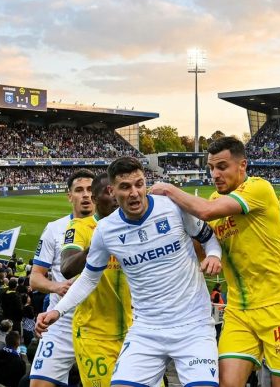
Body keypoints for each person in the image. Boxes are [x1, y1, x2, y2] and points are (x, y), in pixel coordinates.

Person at [37, 156, 222, 387]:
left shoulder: (173, 207)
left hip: (193, 326)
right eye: (125, 187)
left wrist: (214, 255)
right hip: (146, 331)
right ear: (112, 191)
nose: (134, 192)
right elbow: (88, 279)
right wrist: (58, 311)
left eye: (139, 184)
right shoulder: (106, 230)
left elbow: (208, 238)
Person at [150, 136, 280, 387]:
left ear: (242, 165)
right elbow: (197, 248)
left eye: (222, 167)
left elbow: (207, 212)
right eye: (211, 168)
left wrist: (168, 189)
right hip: (239, 311)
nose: (215, 174)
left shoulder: (258, 188)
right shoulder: (213, 198)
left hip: (279, 307)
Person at [60, 172, 132, 387]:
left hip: (131, 329)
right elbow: (66, 267)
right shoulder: (80, 227)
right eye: (108, 192)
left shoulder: (132, 226)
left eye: (116, 190)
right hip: (94, 334)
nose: (114, 197)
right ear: (95, 200)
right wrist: (96, 248)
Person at [28, 169, 95, 387]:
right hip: (62, 321)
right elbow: (35, 278)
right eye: (79, 190)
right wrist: (56, 287)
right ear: (69, 196)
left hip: (100, 321)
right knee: (38, 384)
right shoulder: (54, 229)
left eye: (90, 190)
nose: (86, 195)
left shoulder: (111, 226)